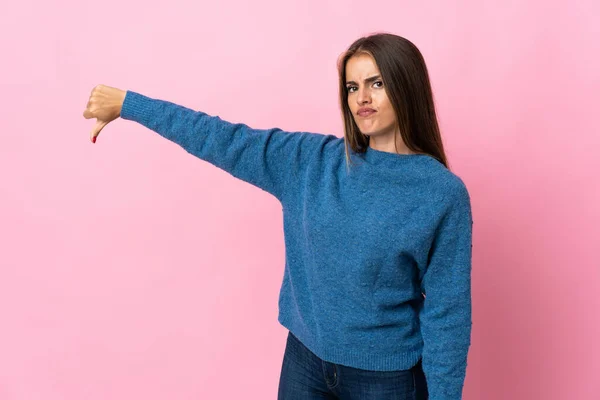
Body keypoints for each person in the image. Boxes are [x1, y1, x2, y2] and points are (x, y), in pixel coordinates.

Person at [83, 33, 473, 400]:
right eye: (352, 87)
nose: (361, 98)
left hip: (384, 379)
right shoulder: (309, 161)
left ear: (407, 86)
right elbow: (219, 138)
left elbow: (447, 316)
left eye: (376, 83)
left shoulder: (441, 194)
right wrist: (129, 104)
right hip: (303, 362)